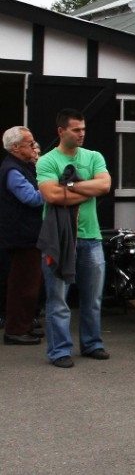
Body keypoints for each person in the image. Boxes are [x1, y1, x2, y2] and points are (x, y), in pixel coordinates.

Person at [36, 108, 111, 368]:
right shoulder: (47, 161)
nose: (82, 134)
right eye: (76, 129)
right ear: (61, 131)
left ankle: (92, 344)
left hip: (91, 237)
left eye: (83, 129)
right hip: (59, 239)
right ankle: (60, 351)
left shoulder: (93, 156)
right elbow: (52, 196)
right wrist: (87, 189)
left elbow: (104, 185)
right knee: (58, 299)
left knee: (93, 298)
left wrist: (68, 186)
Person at [0, 126, 44, 345]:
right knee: (22, 285)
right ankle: (15, 330)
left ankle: (25, 325)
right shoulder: (12, 170)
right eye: (30, 143)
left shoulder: (24, 166)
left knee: (31, 283)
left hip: (29, 234)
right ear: (16, 147)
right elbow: (32, 199)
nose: (34, 146)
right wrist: (54, 188)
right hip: (21, 236)